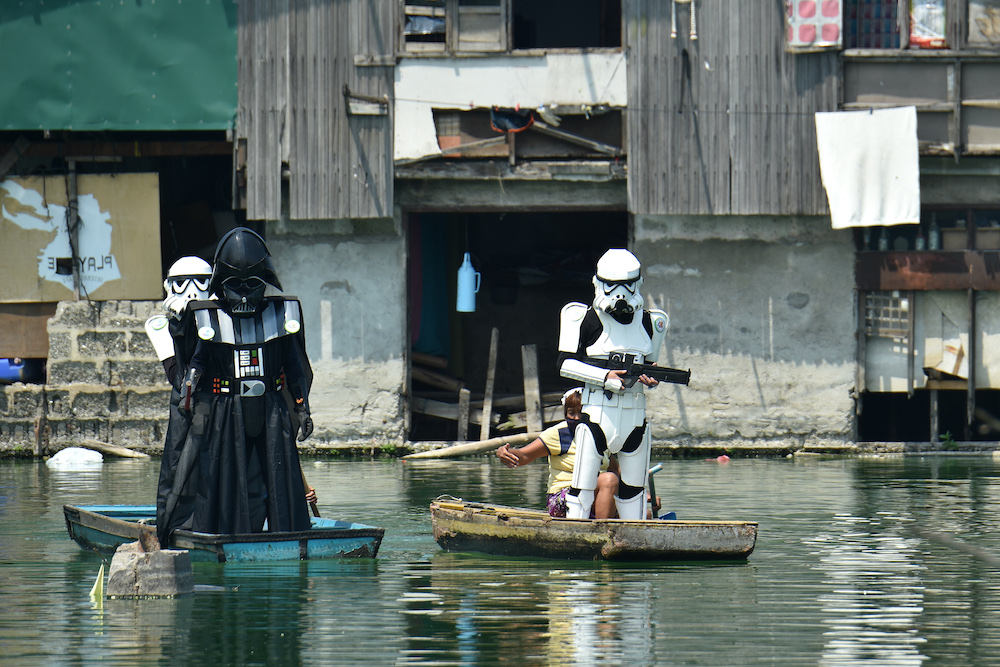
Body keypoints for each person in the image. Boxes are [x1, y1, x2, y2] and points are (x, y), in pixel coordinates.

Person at [174, 227, 315, 535]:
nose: (243, 293)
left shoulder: (282, 315)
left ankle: (287, 534)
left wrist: (302, 408)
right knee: (225, 475)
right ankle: (224, 534)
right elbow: (197, 362)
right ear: (222, 286)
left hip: (272, 408)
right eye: (234, 284)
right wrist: (188, 395)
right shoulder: (209, 319)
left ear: (264, 282)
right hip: (227, 408)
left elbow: (295, 368)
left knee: (281, 476)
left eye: (252, 284)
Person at [557, 248, 668, 520]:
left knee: (634, 490)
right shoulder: (580, 316)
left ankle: (634, 538)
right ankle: (574, 537)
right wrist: (605, 377)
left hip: (634, 416)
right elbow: (564, 364)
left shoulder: (652, 321)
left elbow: (650, 365)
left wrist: (651, 378)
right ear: (598, 282)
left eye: (627, 285)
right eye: (612, 285)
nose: (620, 293)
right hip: (597, 413)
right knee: (582, 486)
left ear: (637, 283)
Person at [144, 256, 212, 545]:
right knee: (178, 468)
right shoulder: (161, 325)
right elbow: (176, 374)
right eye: (183, 282)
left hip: (218, 404)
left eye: (201, 281)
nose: (192, 289)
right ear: (169, 285)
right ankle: (173, 526)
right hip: (185, 407)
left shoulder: (220, 319)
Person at [496, 388, 621, 519]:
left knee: (644, 514)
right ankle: (602, 534)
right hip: (563, 500)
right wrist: (504, 453)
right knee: (609, 479)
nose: (577, 417)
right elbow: (524, 455)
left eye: (581, 412)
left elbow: (613, 469)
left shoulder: (601, 434)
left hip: (594, 497)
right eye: (571, 413)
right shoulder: (559, 434)